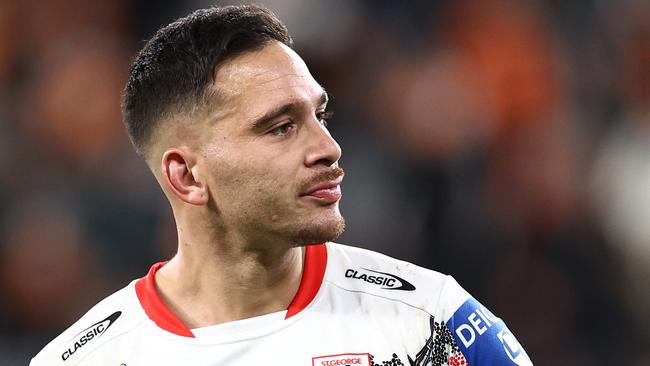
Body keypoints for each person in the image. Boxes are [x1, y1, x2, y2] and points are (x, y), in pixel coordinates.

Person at [31, 5, 533, 366]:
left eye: (321, 115)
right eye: (280, 127)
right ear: (186, 175)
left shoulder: (432, 326)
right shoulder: (89, 358)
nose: (329, 148)